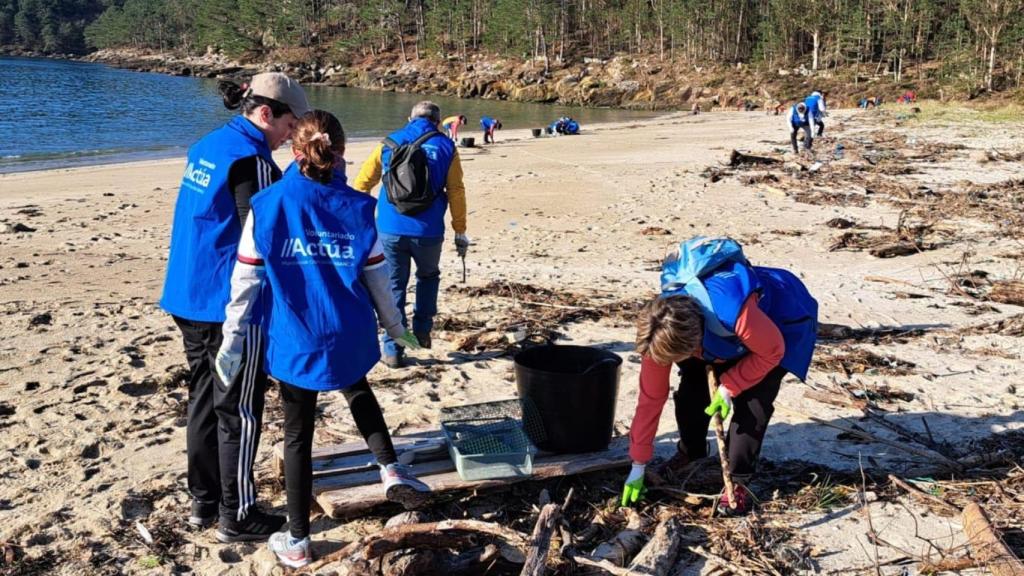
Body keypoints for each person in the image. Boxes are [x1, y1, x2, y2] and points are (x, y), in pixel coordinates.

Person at [216, 111, 433, 568]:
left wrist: (232, 342)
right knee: (357, 388)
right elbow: (378, 278)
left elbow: (246, 282)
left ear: (295, 153)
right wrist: (396, 328)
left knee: (298, 436)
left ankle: (297, 540)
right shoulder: (357, 206)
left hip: (297, 338)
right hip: (348, 329)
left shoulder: (268, 203)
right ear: (341, 153)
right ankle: (390, 467)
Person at [159, 72, 309, 541]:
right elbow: (263, 239)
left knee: (204, 400)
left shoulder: (210, 143)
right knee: (239, 410)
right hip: (224, 303)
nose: (292, 134)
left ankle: (203, 503)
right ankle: (237, 513)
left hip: (186, 293)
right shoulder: (252, 160)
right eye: (290, 123)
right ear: (266, 114)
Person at [621, 237, 818, 516]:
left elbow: (772, 351)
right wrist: (638, 464)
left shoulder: (733, 312)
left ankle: (739, 482)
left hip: (779, 322)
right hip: (713, 335)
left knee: (753, 403)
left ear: (697, 341)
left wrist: (730, 385)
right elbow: (651, 398)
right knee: (692, 389)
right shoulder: (659, 327)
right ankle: (691, 453)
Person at [354, 101, 469, 368]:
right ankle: (422, 331)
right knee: (428, 276)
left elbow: (362, 184)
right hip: (429, 231)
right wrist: (460, 229)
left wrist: (363, 222)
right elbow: (456, 190)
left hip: (390, 228)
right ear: (438, 122)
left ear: (409, 118)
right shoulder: (446, 146)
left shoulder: (388, 142)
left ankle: (394, 349)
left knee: (394, 285)